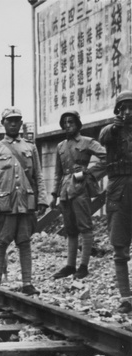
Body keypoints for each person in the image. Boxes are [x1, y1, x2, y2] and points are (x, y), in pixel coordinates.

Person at [0, 107, 49, 295]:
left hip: (26, 202)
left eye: (16, 120)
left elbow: (38, 176)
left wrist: (42, 199)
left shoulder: (30, 147)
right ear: (3, 123)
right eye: (9, 120)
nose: (13, 124)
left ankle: (27, 283)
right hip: (4, 204)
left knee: (24, 241)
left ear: (21, 124)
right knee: (1, 242)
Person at [50, 110, 106, 280]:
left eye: (71, 122)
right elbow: (57, 173)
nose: (68, 125)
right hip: (65, 193)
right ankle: (70, 265)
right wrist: (54, 195)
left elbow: (107, 157)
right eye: (65, 122)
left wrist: (88, 172)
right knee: (70, 230)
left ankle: (84, 266)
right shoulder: (60, 146)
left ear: (78, 124)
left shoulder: (87, 142)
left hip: (80, 189)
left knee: (85, 227)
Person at [98, 90, 132, 313]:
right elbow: (103, 138)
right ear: (117, 111)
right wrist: (116, 126)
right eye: (123, 108)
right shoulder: (110, 131)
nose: (128, 112)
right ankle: (125, 297)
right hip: (118, 188)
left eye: (131, 107)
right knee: (119, 245)